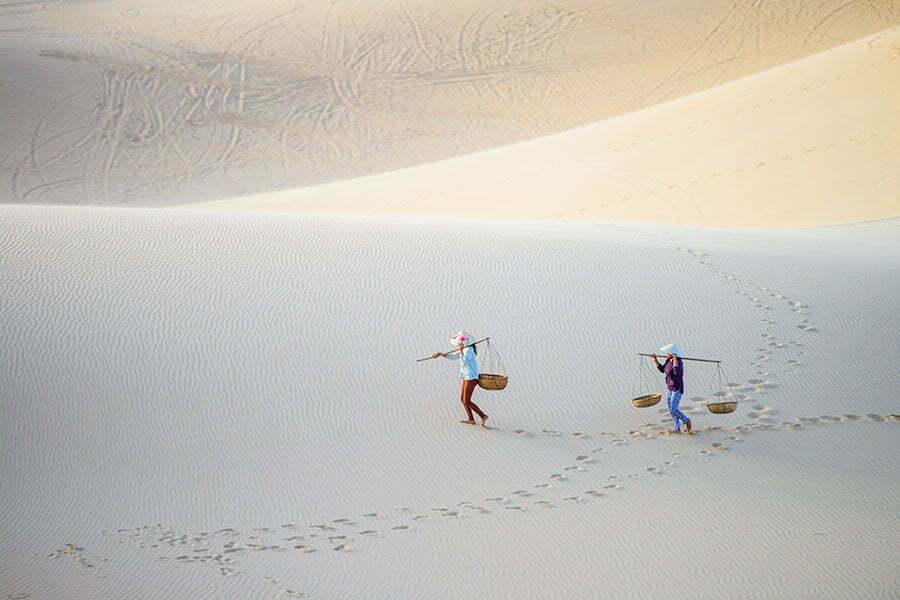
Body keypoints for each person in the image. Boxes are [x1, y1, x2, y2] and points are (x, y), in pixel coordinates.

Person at [431, 331, 488, 427]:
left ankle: (483, 416)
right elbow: (454, 357)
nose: (460, 343)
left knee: (466, 400)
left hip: (471, 377)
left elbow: (465, 361)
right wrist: (441, 354)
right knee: (463, 399)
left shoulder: (469, 349)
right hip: (465, 376)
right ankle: (471, 419)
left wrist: (461, 350)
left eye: (461, 342)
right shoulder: (465, 349)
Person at [651, 343, 692, 434]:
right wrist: (655, 360)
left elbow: (676, 372)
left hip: (677, 388)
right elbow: (662, 370)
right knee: (671, 410)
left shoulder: (679, 363)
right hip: (670, 387)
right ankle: (677, 428)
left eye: (667, 353)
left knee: (674, 409)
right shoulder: (668, 360)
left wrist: (675, 360)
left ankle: (686, 420)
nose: (666, 354)